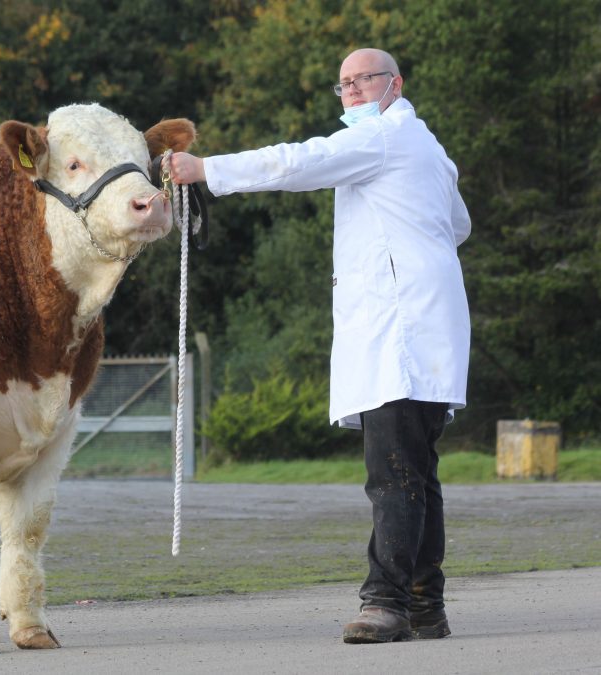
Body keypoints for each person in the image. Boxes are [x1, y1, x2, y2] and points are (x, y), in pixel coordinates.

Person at [169, 48, 470, 644]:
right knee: (417, 470)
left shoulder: (386, 138)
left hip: (402, 332)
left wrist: (205, 170)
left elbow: (298, 162)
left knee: (392, 472)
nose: (353, 91)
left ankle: (386, 603)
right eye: (344, 85)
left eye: (365, 80)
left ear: (395, 84)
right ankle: (425, 604)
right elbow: (457, 225)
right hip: (428, 327)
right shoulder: (430, 151)